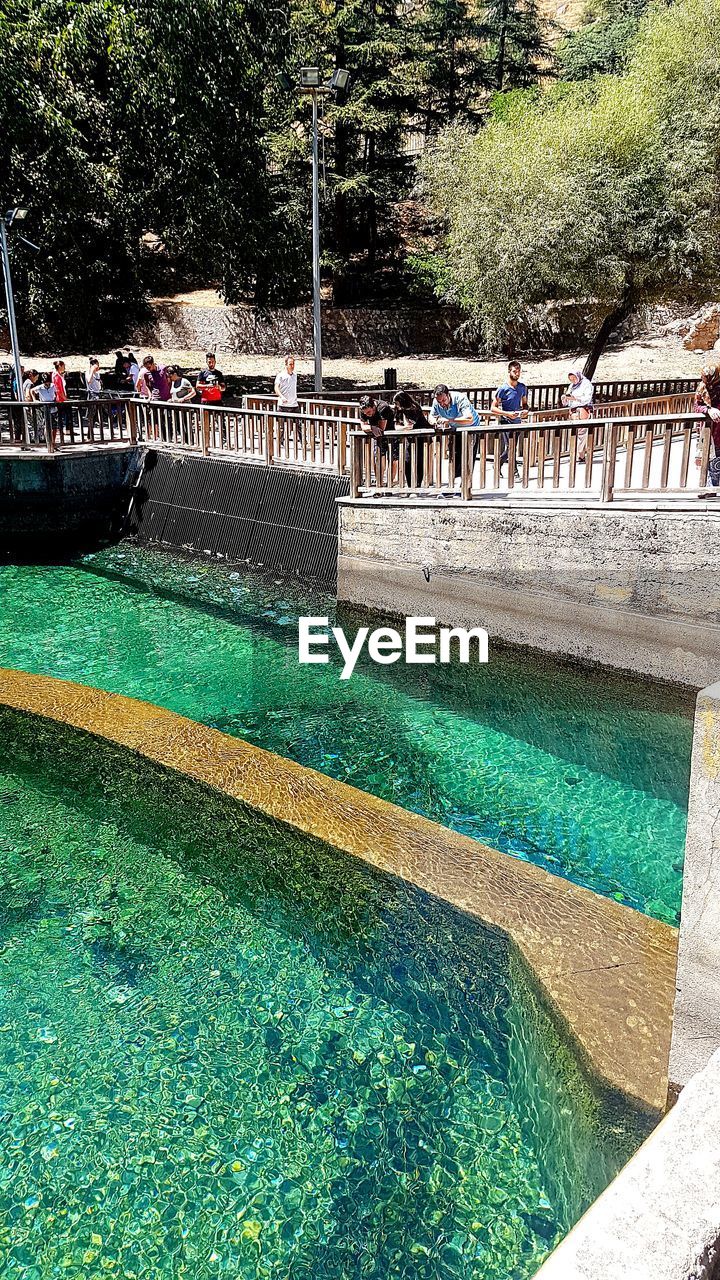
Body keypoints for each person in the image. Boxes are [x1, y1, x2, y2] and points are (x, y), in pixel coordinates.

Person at [429, 384, 482, 490]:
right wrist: (434, 422)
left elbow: (469, 418)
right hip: (455, 430)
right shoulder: (437, 402)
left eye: (444, 400)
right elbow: (431, 415)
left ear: (448, 395)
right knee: (454, 455)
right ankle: (455, 483)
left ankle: (466, 484)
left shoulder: (460, 398)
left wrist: (450, 420)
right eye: (440, 402)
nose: (442, 404)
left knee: (468, 456)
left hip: (471, 428)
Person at [491, 361, 529, 472]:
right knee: (510, 447)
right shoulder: (502, 389)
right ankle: (514, 471)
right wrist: (507, 414)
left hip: (517, 420)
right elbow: (493, 408)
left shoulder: (522, 388)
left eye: (519, 372)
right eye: (514, 371)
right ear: (509, 372)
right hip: (506, 421)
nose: (517, 374)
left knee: (512, 446)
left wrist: (525, 411)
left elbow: (525, 403)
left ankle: (498, 464)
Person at [393, 389, 430, 487]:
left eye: (397, 403)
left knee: (419, 461)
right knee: (407, 461)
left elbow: (409, 426)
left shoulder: (414, 408)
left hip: (421, 437)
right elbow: (396, 425)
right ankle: (410, 485)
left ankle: (417, 485)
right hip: (409, 438)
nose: (396, 406)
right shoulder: (398, 410)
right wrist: (400, 427)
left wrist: (400, 427)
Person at [359, 394, 396, 490]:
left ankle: (390, 484)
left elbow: (381, 429)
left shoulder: (383, 408)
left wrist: (372, 428)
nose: (367, 415)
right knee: (378, 459)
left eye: (369, 412)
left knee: (392, 459)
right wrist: (372, 427)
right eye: (365, 413)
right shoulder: (363, 410)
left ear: (374, 406)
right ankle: (379, 483)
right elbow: (363, 426)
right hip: (377, 436)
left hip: (392, 433)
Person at [694, 364, 720, 492]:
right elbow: (697, 406)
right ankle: (711, 490)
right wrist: (708, 409)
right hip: (709, 431)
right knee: (711, 460)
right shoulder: (702, 388)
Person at [562, 366, 594, 463]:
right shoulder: (572, 386)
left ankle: (579, 454)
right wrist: (565, 399)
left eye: (574, 378)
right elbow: (568, 400)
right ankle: (575, 453)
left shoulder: (586, 384)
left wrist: (574, 398)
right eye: (571, 379)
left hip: (582, 410)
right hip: (573, 411)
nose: (573, 381)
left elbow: (586, 399)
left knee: (581, 434)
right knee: (574, 433)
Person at [30, 372, 58, 446]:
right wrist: (34, 399)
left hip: (53, 408)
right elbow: (32, 390)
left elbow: (57, 392)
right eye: (46, 383)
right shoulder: (40, 387)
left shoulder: (53, 386)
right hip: (45, 409)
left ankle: (53, 442)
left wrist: (56, 399)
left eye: (48, 383)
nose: (47, 385)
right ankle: (48, 442)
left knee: (54, 427)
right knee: (47, 426)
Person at [52, 359, 71, 442]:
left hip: (63, 397)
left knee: (66, 413)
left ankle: (66, 429)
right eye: (63, 366)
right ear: (60, 366)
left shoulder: (60, 375)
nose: (64, 368)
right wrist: (64, 398)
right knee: (60, 414)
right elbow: (58, 389)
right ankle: (60, 429)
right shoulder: (56, 376)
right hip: (60, 399)